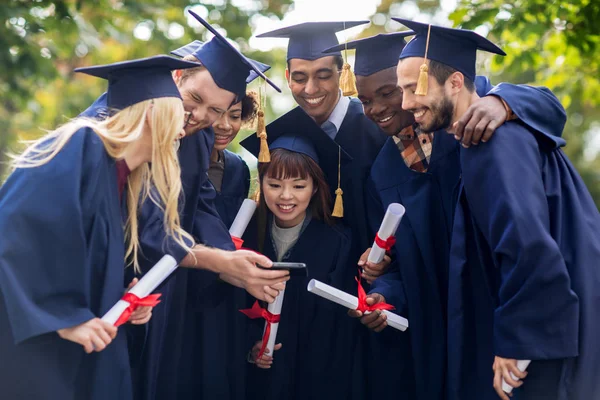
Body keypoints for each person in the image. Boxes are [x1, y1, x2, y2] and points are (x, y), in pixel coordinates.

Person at [327, 30, 568, 400]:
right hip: (438, 322)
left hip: (497, 305)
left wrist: (503, 102)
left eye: (392, 91)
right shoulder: (383, 172)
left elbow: (547, 104)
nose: (377, 107)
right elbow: (394, 265)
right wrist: (384, 296)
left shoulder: (473, 122)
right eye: (365, 99)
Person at [395, 19, 600, 400]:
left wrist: (518, 341)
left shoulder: (492, 141)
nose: (406, 104)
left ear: (455, 82)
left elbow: (526, 243)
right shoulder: (493, 129)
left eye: (414, 88)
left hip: (541, 348)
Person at [0, 55, 200, 400]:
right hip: (40, 355)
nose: (182, 130)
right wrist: (63, 316)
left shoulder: (121, 177)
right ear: (152, 113)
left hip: (79, 354)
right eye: (178, 115)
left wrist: (125, 297)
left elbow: (83, 257)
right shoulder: (81, 146)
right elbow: (18, 228)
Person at [239, 107, 391, 400]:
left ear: (315, 188)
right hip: (259, 378)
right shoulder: (245, 236)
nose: (286, 196)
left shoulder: (338, 240)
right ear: (262, 183)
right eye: (274, 185)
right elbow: (232, 306)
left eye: (298, 186)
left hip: (319, 375)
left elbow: (342, 323)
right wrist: (249, 345)